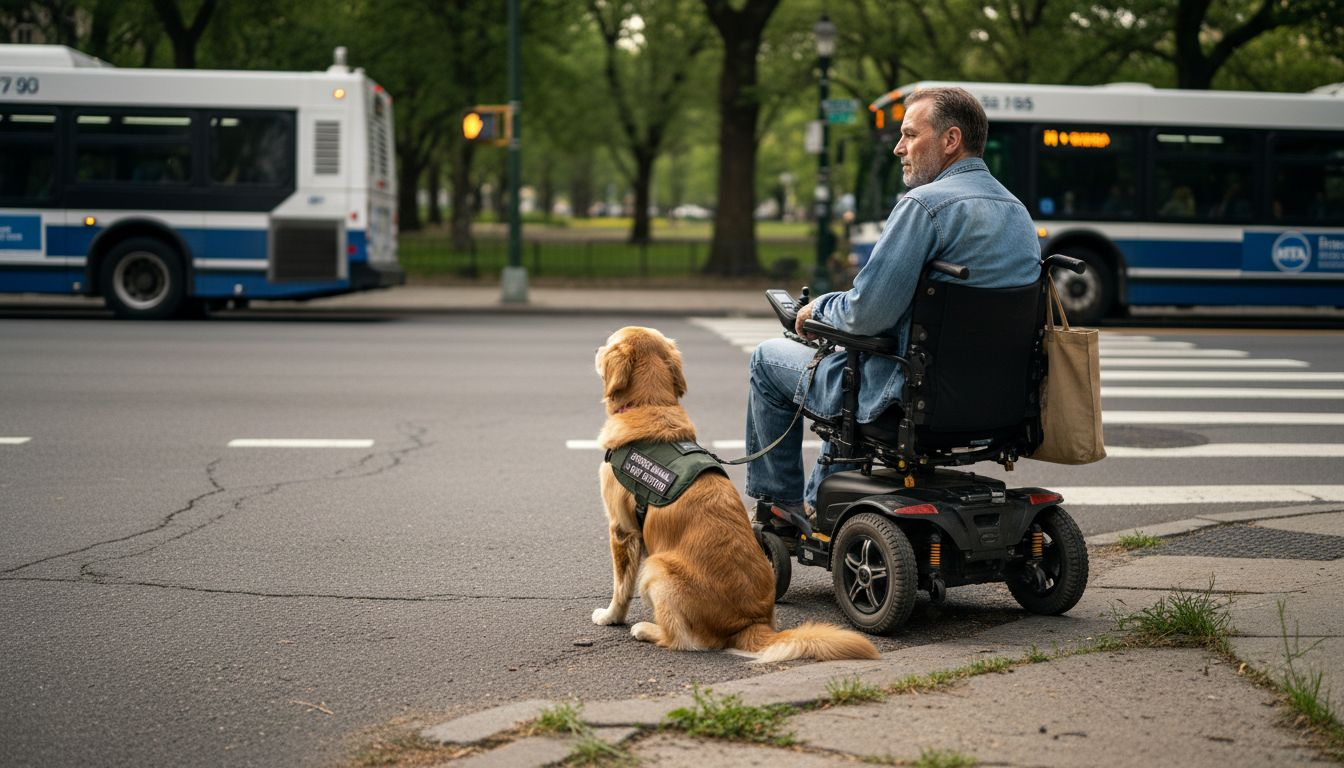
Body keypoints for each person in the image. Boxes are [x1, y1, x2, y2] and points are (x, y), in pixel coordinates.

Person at [744, 87, 1040, 521]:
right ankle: (825, 498)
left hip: (906, 400)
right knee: (849, 363)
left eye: (909, 134)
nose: (899, 148)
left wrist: (817, 310)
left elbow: (866, 314)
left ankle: (782, 508)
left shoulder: (924, 206)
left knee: (768, 359)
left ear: (950, 140)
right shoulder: (1018, 212)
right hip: (997, 404)